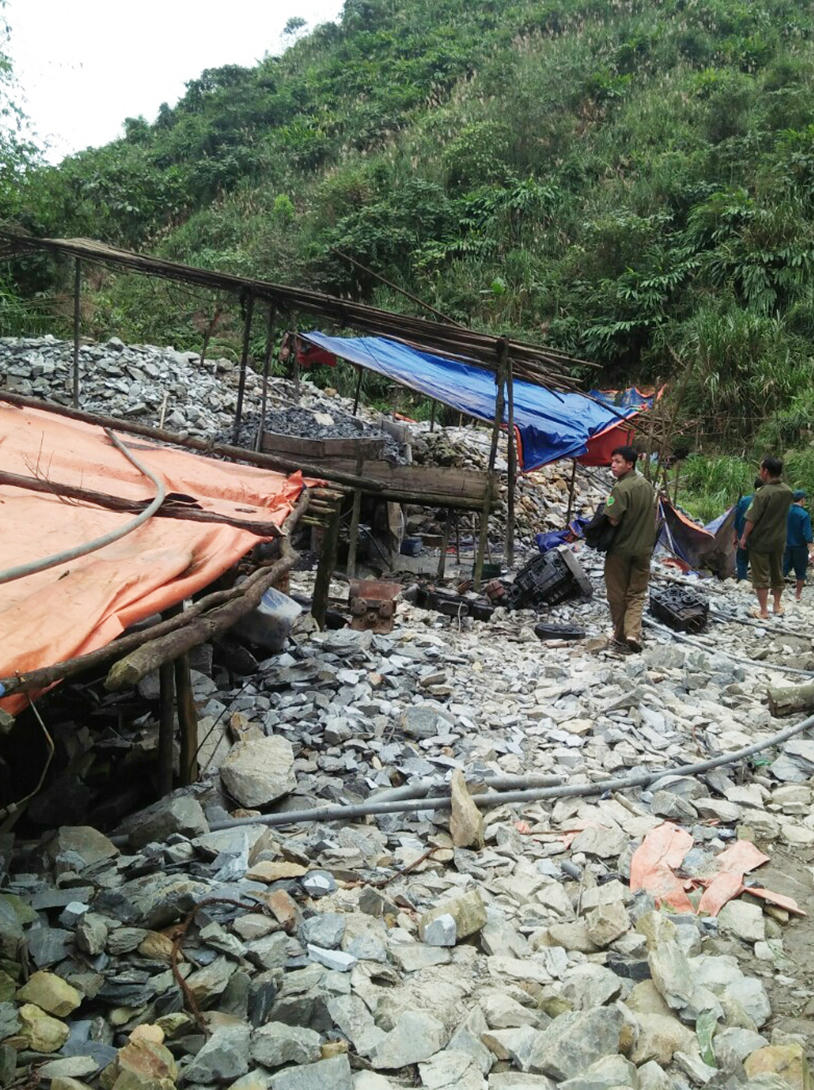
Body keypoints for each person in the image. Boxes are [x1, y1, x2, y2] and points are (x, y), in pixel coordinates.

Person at [604, 445, 657, 653]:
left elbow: (613, 519)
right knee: (637, 593)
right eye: (612, 461)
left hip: (621, 549)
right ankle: (633, 632)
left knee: (617, 593)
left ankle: (619, 634)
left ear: (629, 464)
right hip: (644, 549)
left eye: (617, 462)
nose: (613, 465)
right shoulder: (647, 486)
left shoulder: (620, 488)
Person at [738, 455, 793, 618]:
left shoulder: (762, 493)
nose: (759, 472)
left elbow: (751, 519)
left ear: (766, 471)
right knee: (777, 572)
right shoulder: (787, 491)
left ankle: (763, 611)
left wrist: (744, 537)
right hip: (779, 539)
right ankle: (777, 606)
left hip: (761, 540)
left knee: (761, 576)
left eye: (760, 469)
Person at [783, 489, 813, 601]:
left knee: (783, 568)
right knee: (800, 572)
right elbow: (807, 534)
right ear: (802, 500)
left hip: (786, 545)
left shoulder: (786, 512)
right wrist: (811, 549)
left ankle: (775, 590)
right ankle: (797, 595)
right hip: (800, 547)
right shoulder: (804, 515)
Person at [733, 479, 762, 581]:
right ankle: (759, 584)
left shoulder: (744, 501)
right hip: (760, 538)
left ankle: (742, 582)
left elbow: (736, 520)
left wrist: (735, 537)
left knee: (742, 561)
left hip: (743, 537)